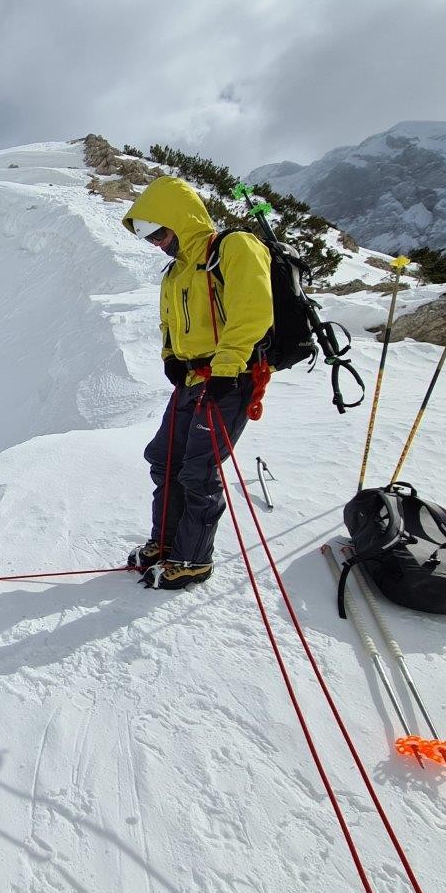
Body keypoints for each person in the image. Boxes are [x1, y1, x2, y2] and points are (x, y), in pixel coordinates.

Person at [122, 175, 274, 589]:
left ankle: (194, 560)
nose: (156, 242)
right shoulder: (175, 273)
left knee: (198, 472)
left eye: (159, 231)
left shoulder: (232, 248)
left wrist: (226, 368)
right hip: (191, 379)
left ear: (180, 219)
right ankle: (166, 543)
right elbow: (168, 323)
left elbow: (254, 312)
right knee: (163, 458)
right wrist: (170, 356)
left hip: (231, 378)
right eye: (149, 236)